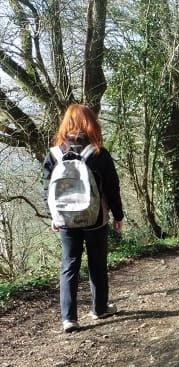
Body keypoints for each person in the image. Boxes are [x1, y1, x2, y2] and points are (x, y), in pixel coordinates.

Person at [43, 104, 124, 333]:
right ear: (91, 124)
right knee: (97, 263)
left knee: (69, 265)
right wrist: (118, 215)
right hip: (95, 218)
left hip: (66, 220)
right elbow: (112, 188)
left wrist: (53, 216)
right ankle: (99, 309)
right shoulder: (98, 153)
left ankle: (69, 318)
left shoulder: (54, 154)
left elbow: (47, 189)